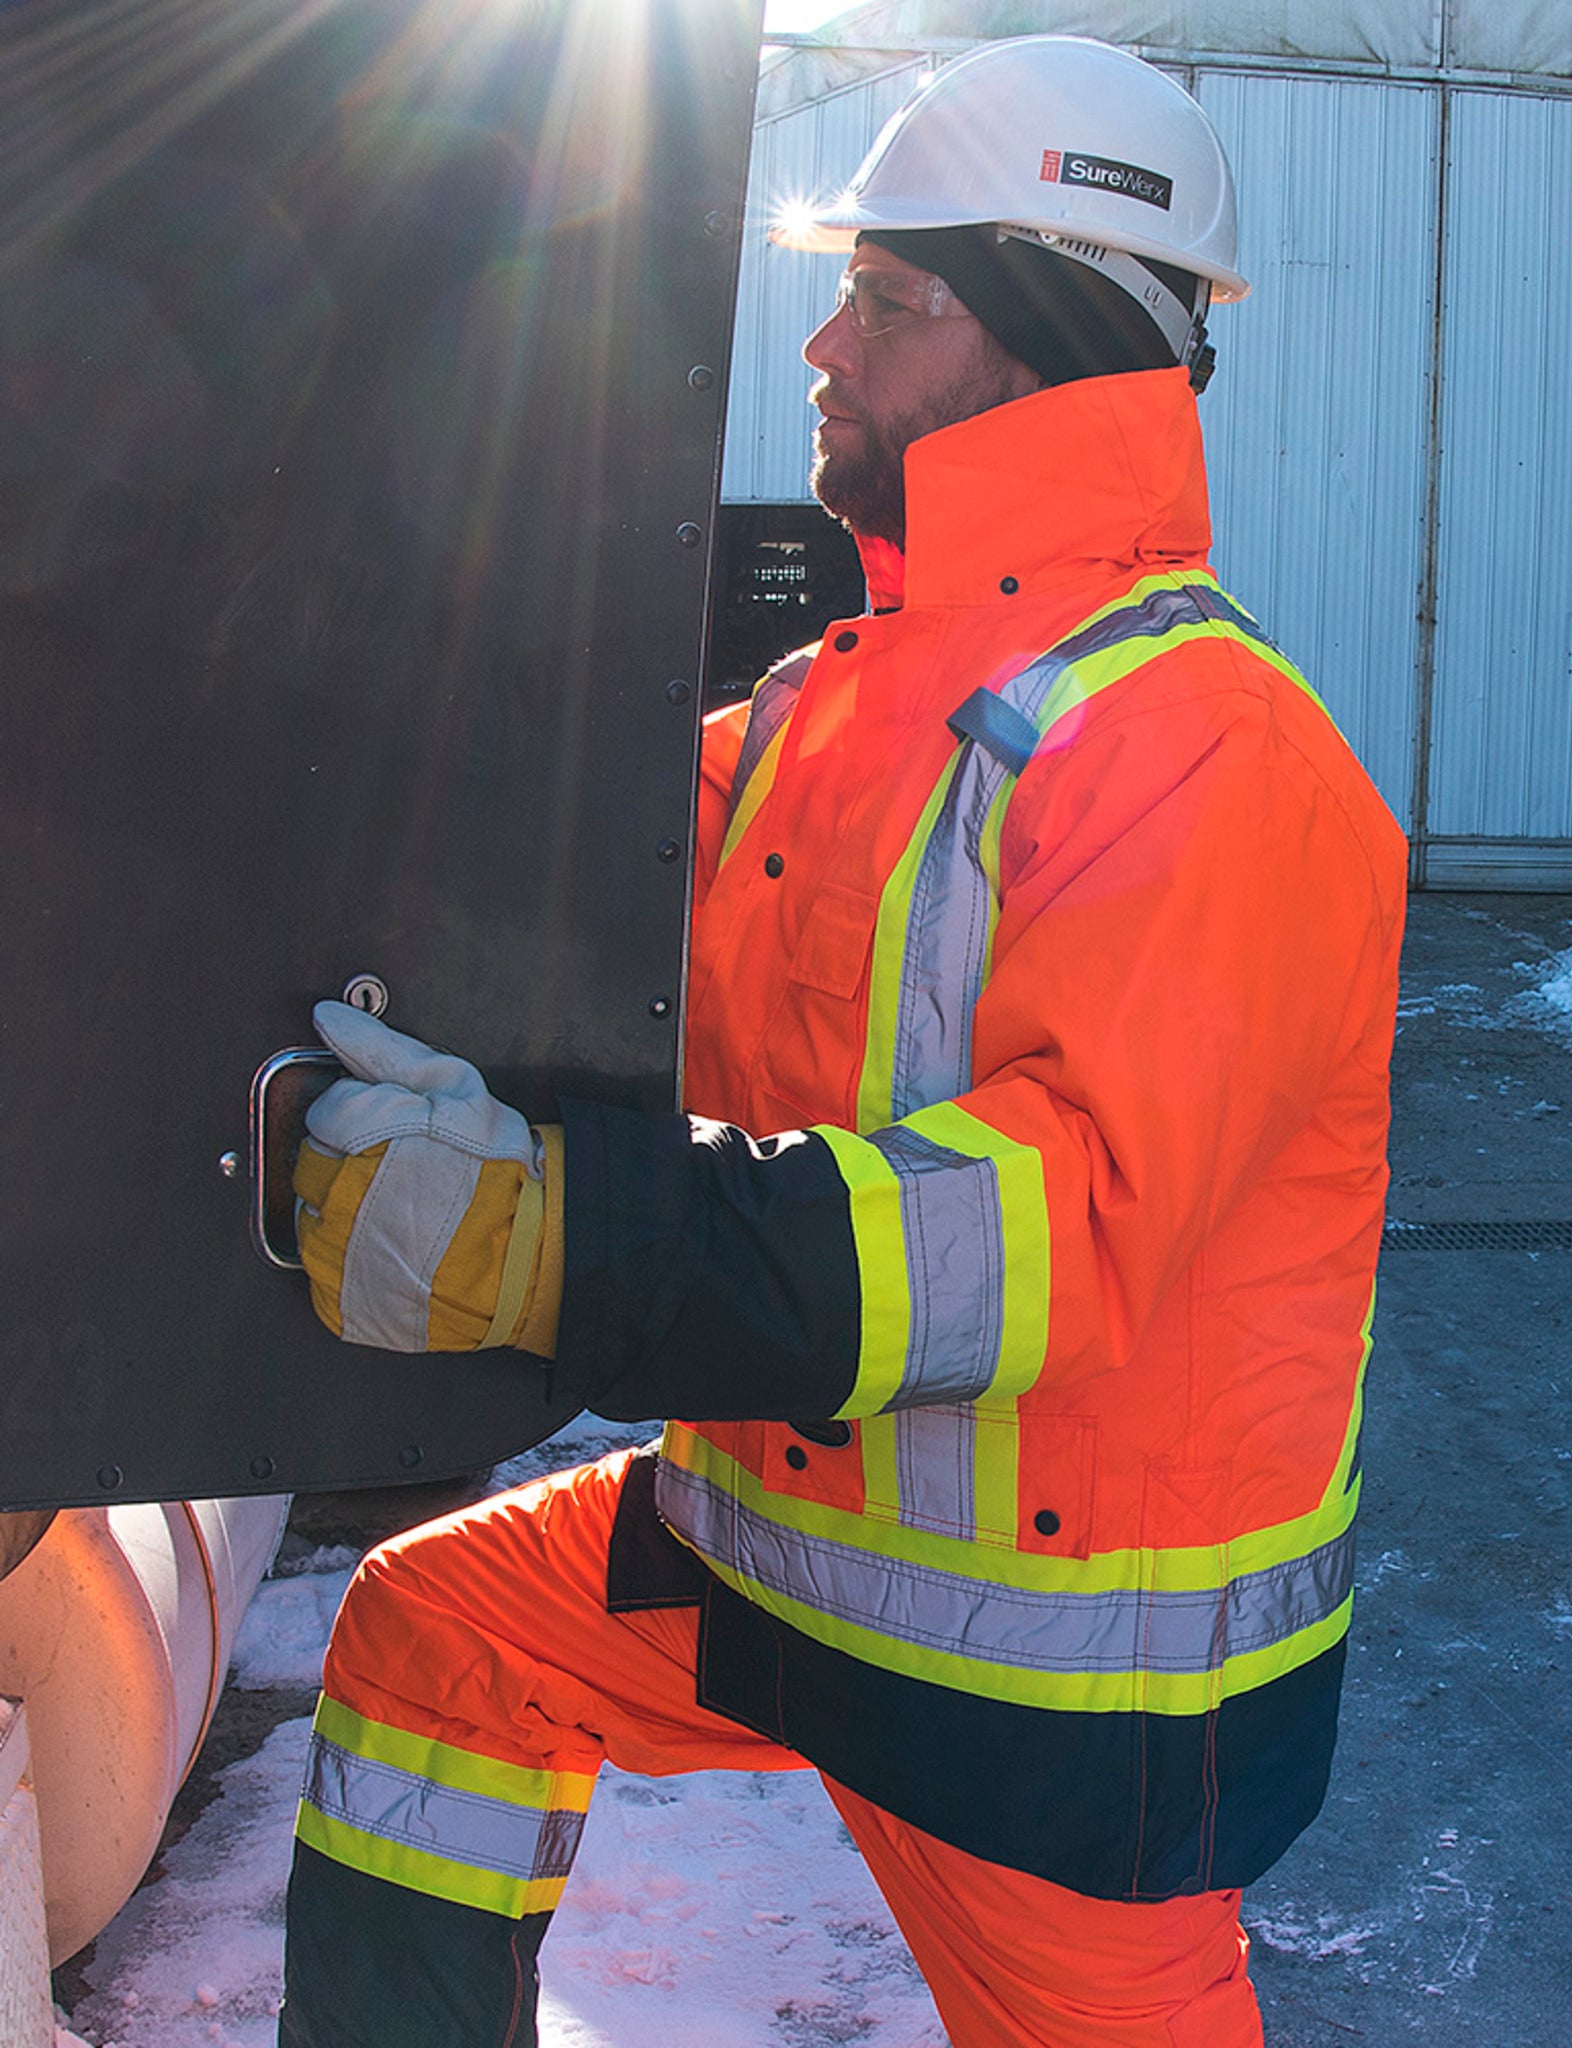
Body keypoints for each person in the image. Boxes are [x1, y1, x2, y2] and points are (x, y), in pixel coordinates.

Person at [278, 34, 1407, 2048]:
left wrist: (557, 1239)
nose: (822, 340)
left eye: (888, 300)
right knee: (439, 1638)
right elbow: (602, 950)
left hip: (1054, 1705)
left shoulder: (1204, 749)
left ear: (1049, 341)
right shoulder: (833, 701)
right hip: (780, 1568)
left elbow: (1047, 1227)